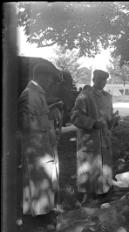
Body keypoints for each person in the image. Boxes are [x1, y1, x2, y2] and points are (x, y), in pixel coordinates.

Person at [18, 62, 61, 222]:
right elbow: (24, 123)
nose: (51, 82)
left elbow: (37, 115)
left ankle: (45, 211)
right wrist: (48, 116)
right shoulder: (29, 94)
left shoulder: (38, 93)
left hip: (43, 146)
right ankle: (40, 218)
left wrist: (50, 111)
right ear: (41, 76)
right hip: (35, 148)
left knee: (44, 179)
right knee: (37, 180)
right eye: (50, 78)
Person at [71, 69, 118, 203]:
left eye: (104, 80)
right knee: (91, 166)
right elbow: (75, 117)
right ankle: (89, 194)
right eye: (99, 79)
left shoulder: (108, 97)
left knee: (104, 165)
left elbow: (108, 118)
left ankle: (104, 190)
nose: (102, 82)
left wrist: (113, 121)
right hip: (90, 139)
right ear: (94, 80)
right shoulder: (84, 96)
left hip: (105, 138)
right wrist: (92, 123)